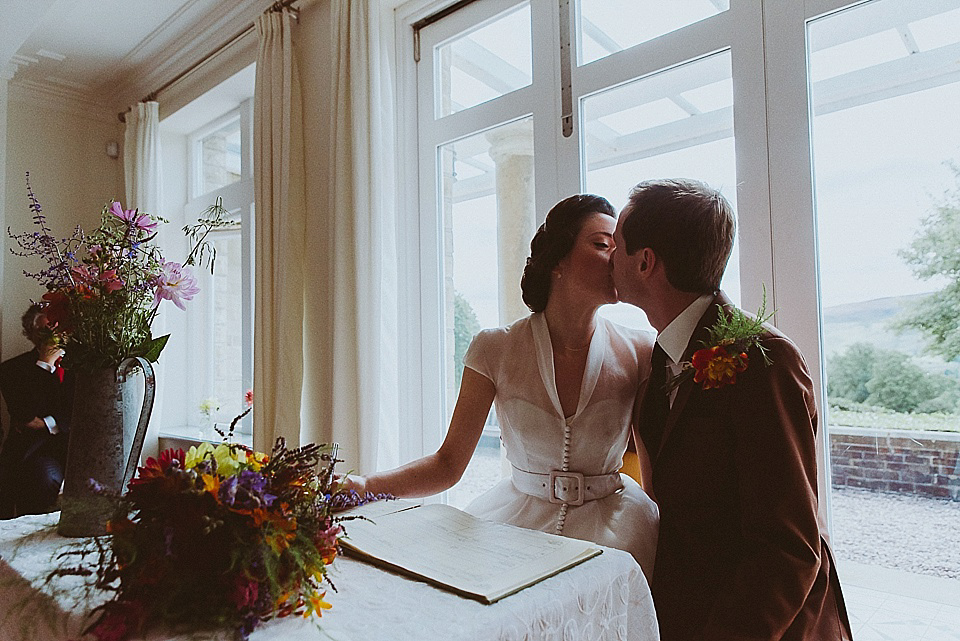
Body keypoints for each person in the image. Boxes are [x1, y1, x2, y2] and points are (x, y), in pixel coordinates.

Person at [345, 194, 659, 578]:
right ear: (559, 258)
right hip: (515, 532)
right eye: (600, 244)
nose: (615, 258)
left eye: (618, 247)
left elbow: (651, 464)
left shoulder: (641, 349)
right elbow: (447, 464)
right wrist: (365, 486)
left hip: (618, 535)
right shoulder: (495, 348)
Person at [611, 178, 852, 640]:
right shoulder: (658, 358)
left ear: (645, 262)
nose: (609, 259)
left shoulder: (764, 361)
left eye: (616, 246)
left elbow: (789, 547)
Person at [0, 304, 74, 518]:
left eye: (57, 327)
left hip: (77, 445)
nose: (54, 335)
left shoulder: (84, 366)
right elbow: (25, 416)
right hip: (37, 451)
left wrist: (47, 423)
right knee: (41, 476)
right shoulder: (12, 370)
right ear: (32, 335)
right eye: (46, 330)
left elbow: (80, 411)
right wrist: (44, 364)